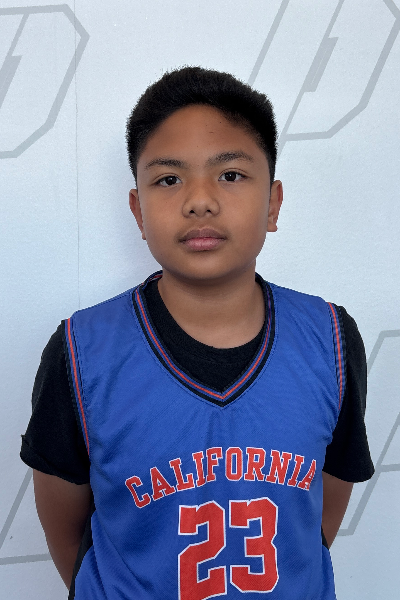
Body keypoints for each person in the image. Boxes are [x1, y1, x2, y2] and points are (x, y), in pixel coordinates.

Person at [21, 66, 374, 599]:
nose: (200, 200)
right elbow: (68, 534)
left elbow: (318, 518)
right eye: (169, 179)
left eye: (230, 174)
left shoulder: (330, 340)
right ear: (138, 211)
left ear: (273, 203)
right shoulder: (82, 352)